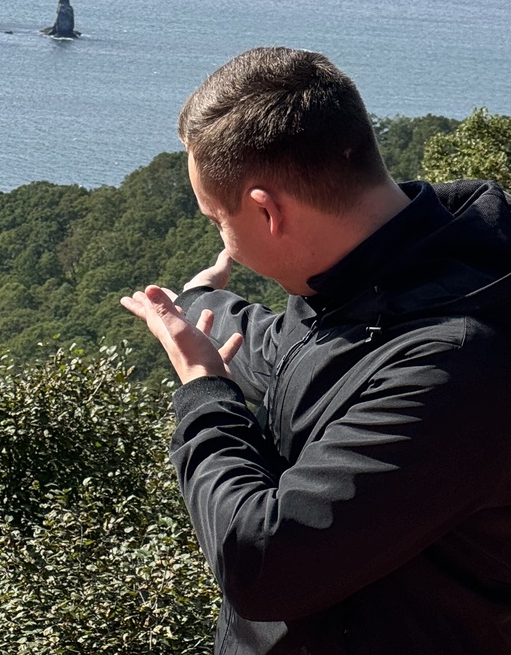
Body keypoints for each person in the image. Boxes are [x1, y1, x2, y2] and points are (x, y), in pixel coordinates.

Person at [122, 46, 511, 655]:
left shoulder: (457, 365)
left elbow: (261, 563)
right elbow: (286, 347)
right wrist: (197, 302)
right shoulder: (379, 270)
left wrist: (202, 392)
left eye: (217, 220)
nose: (223, 239)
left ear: (266, 210)